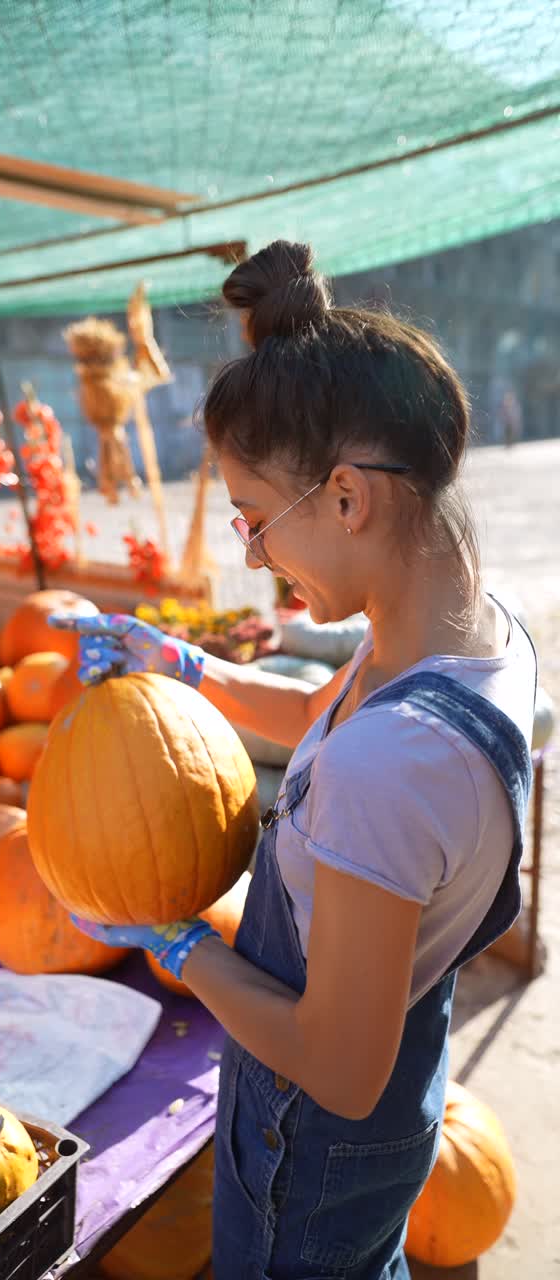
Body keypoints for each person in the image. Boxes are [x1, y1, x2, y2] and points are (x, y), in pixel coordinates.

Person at [51, 241, 537, 1280]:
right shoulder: (467, 633)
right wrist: (184, 663)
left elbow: (336, 1066)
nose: (252, 554)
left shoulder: (389, 772)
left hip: (306, 1147)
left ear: (348, 498)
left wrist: (179, 945)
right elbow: (325, 703)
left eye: (254, 519)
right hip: (394, 1095)